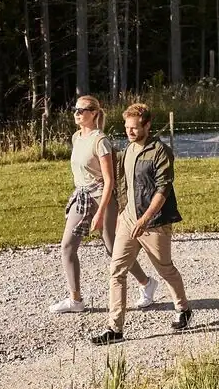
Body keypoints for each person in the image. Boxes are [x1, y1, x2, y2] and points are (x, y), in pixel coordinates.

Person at [90, 101, 192, 343]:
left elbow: (163, 189)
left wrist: (145, 219)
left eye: (134, 128)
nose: (130, 132)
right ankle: (115, 329)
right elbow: (123, 185)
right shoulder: (127, 151)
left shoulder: (160, 152)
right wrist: (123, 215)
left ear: (147, 125)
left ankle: (183, 309)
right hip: (129, 219)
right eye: (127, 127)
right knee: (116, 271)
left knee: (164, 268)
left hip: (154, 222)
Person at [50, 96, 157, 315]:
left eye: (83, 110)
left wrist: (100, 213)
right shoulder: (76, 137)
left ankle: (146, 283)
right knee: (67, 246)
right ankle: (75, 299)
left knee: (112, 248)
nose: (77, 113)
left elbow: (109, 181)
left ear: (94, 113)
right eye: (75, 109)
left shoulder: (101, 141)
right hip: (82, 196)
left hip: (102, 197)